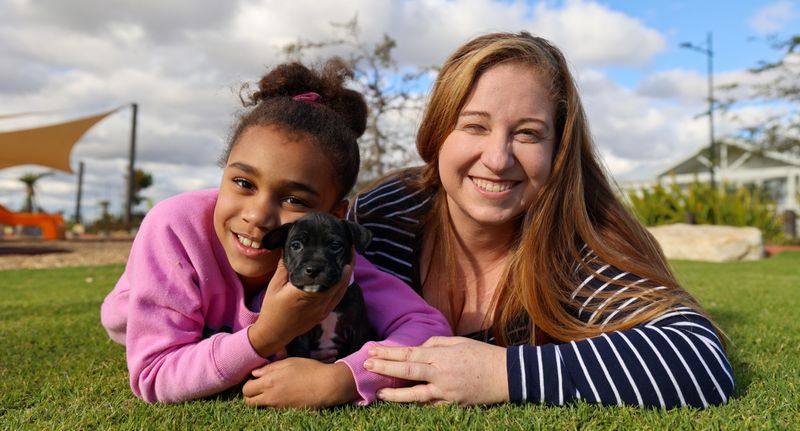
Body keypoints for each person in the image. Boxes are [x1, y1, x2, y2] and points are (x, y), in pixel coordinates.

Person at [350, 32, 734, 408]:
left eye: (528, 134)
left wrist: (504, 372)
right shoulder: (383, 217)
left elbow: (697, 357)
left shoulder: (579, 242)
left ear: (558, 149)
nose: (498, 159)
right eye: (474, 126)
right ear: (438, 133)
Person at [100, 59, 450, 407]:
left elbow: (428, 327)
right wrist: (265, 336)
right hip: (139, 309)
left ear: (333, 216)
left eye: (295, 199)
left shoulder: (331, 260)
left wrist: (344, 377)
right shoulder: (175, 228)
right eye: (242, 182)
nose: (257, 216)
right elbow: (156, 374)